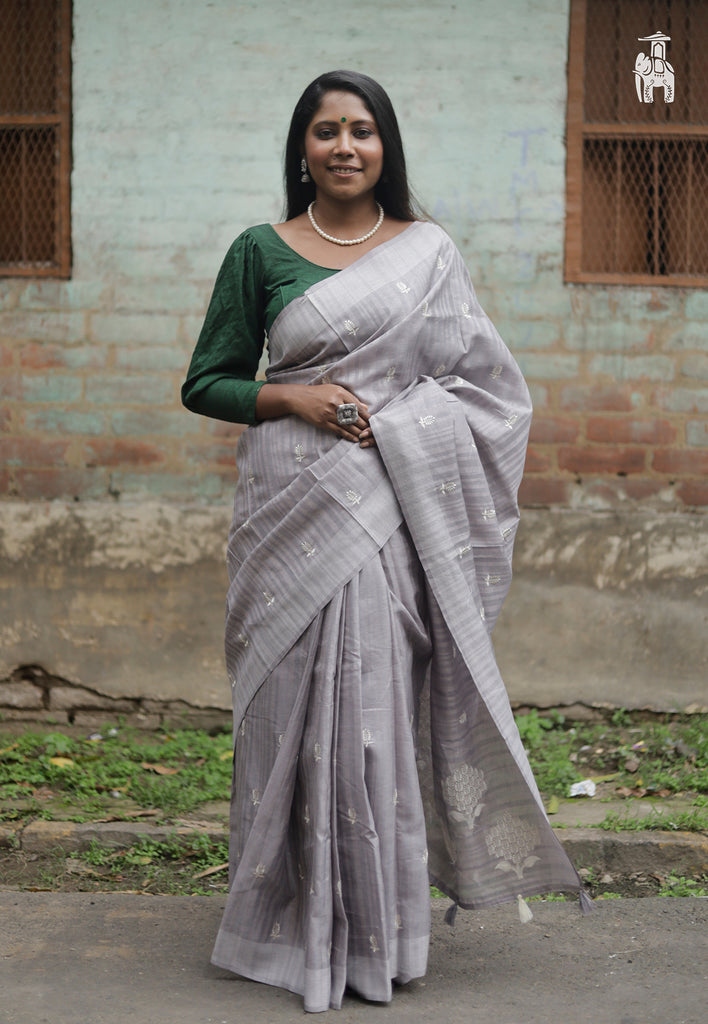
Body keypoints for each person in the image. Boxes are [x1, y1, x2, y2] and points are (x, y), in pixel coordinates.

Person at [182, 70, 588, 1014]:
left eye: (362, 130)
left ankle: (376, 937)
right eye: (326, 131)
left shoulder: (430, 254)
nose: (345, 146)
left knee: (369, 735)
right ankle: (283, 934)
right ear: (302, 149)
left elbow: (490, 393)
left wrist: (403, 424)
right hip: (286, 510)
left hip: (389, 514)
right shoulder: (259, 251)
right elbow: (208, 382)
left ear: (385, 147)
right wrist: (295, 396)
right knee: (286, 724)